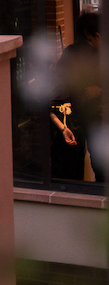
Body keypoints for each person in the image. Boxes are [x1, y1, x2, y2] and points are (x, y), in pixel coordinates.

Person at [51, 11, 103, 182]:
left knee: (75, 164)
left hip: (76, 112)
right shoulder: (98, 53)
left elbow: (58, 86)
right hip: (90, 114)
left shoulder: (72, 52)